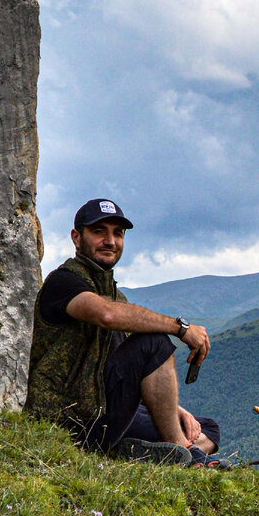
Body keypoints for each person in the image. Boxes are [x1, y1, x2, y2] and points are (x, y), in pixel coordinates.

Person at [25, 198, 221, 466]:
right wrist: (180, 328)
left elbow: (136, 370)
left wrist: (176, 411)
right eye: (99, 231)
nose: (110, 241)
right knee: (153, 342)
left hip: (105, 410)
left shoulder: (114, 295)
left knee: (207, 428)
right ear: (76, 237)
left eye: (117, 233)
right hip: (69, 418)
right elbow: (106, 314)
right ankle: (182, 452)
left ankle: (134, 450)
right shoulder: (63, 282)